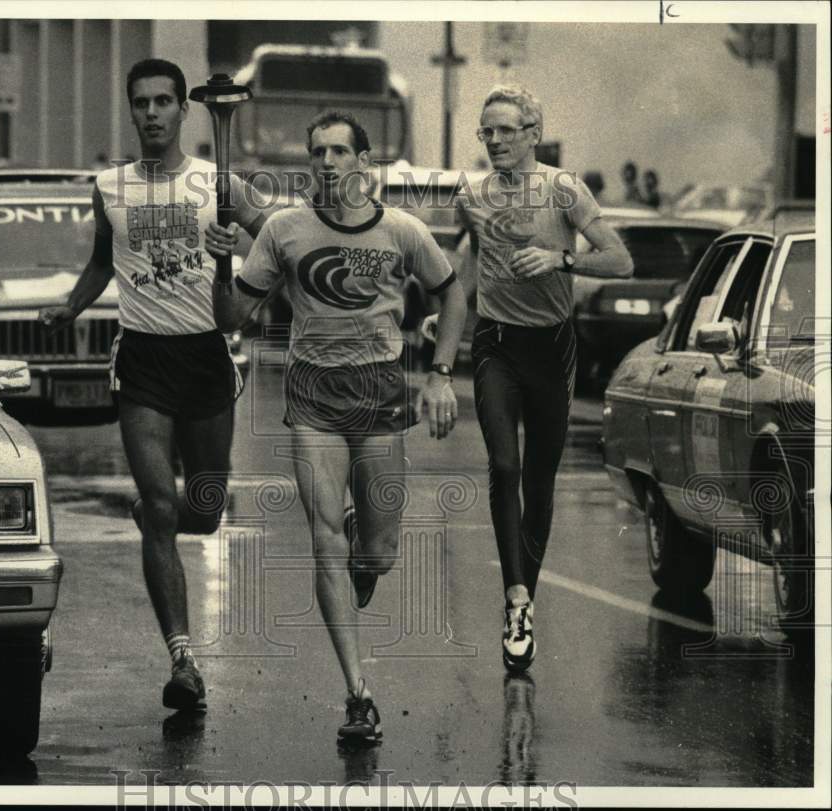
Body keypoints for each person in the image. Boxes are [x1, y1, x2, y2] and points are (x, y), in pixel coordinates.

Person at [209, 111, 467, 744]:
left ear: (363, 161)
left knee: (377, 553)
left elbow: (452, 294)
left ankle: (364, 535)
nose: (325, 162)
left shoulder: (403, 231)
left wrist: (439, 375)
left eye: (337, 151)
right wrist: (220, 265)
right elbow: (235, 316)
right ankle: (358, 694)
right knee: (323, 542)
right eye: (316, 151)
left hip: (380, 389)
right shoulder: (282, 231)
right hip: (314, 393)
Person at [38, 58, 267, 713]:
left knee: (204, 508)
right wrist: (71, 306)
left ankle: (158, 516)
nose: (153, 113)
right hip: (141, 362)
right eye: (142, 102)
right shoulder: (109, 187)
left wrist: (241, 265)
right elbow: (100, 262)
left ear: (184, 110)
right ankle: (183, 657)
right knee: (163, 509)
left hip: (205, 358)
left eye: (165, 101)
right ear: (132, 109)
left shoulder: (218, 183)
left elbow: (277, 242)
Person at [452, 85, 632, 671]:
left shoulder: (563, 188)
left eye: (505, 130)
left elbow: (620, 260)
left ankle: (525, 595)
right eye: (487, 132)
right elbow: (465, 265)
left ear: (533, 133)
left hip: (552, 347)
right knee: (503, 465)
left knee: (539, 476)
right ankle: (517, 598)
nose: (495, 141)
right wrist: (444, 318)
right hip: (495, 342)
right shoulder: (472, 192)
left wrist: (562, 260)